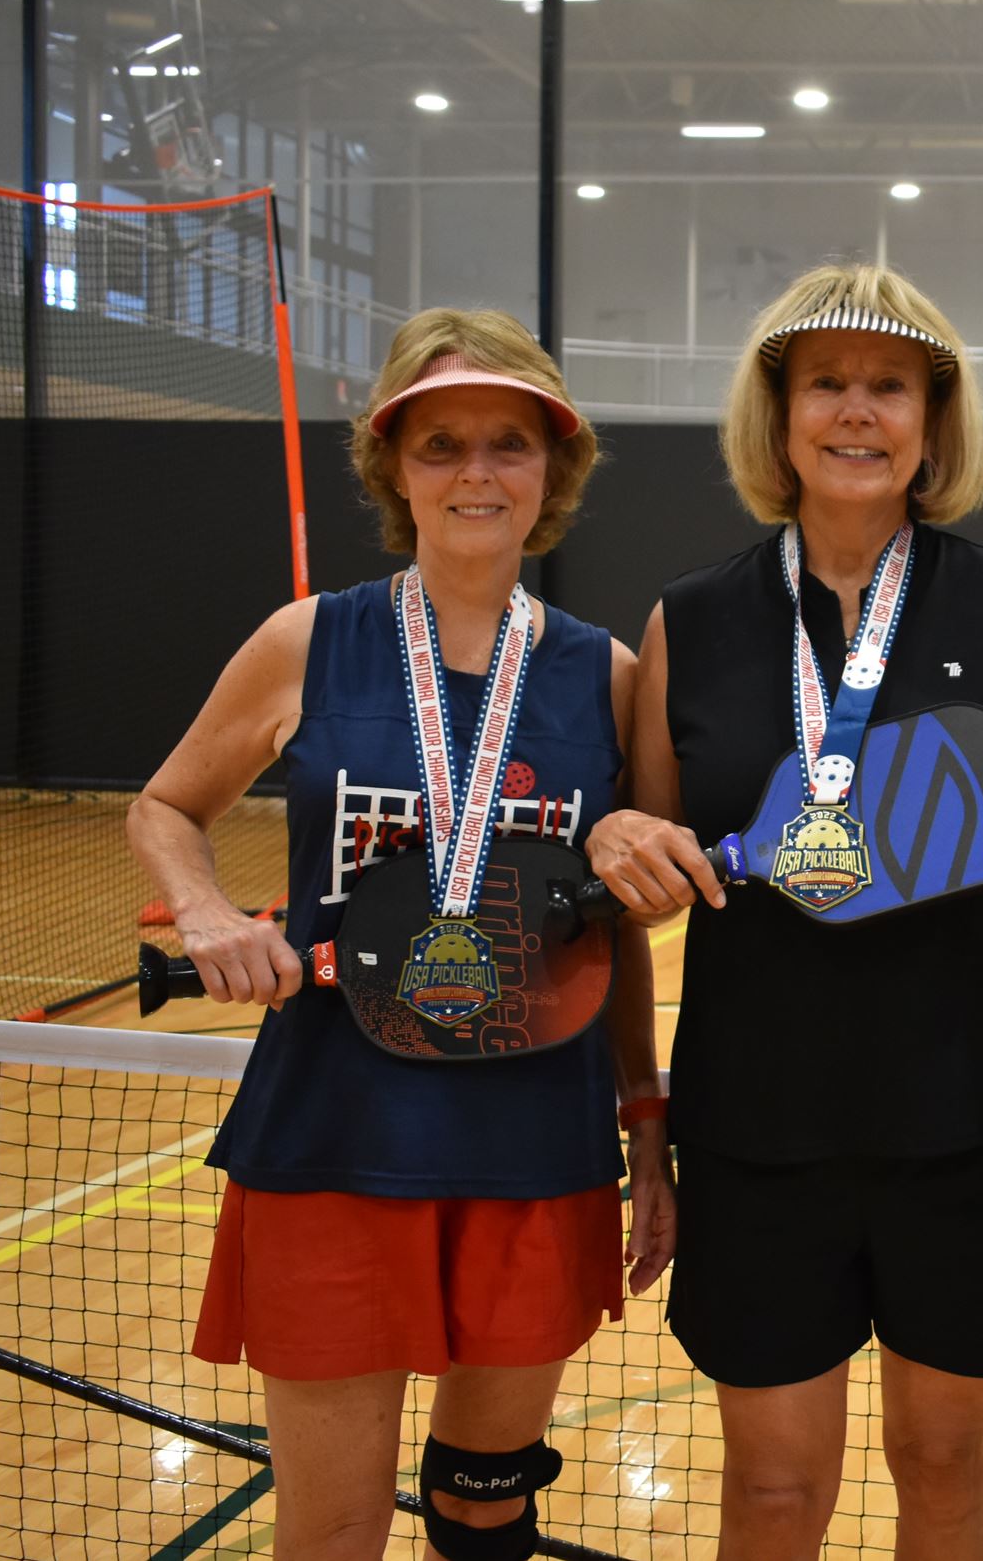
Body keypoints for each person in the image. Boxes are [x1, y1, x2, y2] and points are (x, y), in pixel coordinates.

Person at [585, 263, 983, 1560]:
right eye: (824, 381)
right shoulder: (692, 621)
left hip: (975, 1124)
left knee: (945, 1471)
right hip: (760, 1135)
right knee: (772, 1497)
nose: (856, 410)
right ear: (777, 416)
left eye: (889, 384)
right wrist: (646, 1122)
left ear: (934, 421)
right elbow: (636, 899)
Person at [128, 309, 669, 1561]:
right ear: (394, 469)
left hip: (537, 1138)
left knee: (488, 1506)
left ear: (552, 469)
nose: (475, 473)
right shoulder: (307, 641)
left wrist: (646, 1126)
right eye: (440, 446)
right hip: (333, 1134)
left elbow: (617, 936)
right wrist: (205, 906)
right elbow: (162, 804)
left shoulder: (611, 675)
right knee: (330, 1529)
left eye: (506, 445)